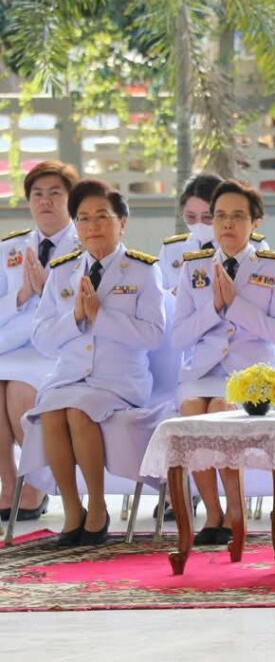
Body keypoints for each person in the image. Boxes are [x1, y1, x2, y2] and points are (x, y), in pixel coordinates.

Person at [27, 179, 165, 545]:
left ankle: (98, 508)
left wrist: (101, 316)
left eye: (102, 216)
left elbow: (154, 335)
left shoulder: (143, 270)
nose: (93, 226)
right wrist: (75, 316)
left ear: (122, 222)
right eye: (84, 218)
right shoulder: (62, 271)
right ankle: (73, 510)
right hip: (69, 377)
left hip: (118, 380)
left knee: (78, 412)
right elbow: (41, 338)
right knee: (52, 413)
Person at [171, 179, 275, 546]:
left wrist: (236, 306)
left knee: (220, 411)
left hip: (253, 374)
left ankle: (235, 510)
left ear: (255, 222)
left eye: (238, 216)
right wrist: (214, 308)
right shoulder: (194, 267)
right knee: (192, 412)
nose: (227, 224)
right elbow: (178, 337)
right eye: (220, 216)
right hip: (204, 370)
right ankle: (213, 512)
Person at [0, 161, 80, 522]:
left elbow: (87, 311)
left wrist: (48, 288)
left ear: (70, 200)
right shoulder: (10, 248)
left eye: (55, 193)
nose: (45, 201)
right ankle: (8, 481)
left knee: (19, 390)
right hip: (11, 347)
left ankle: (34, 483)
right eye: (38, 194)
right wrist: (21, 294)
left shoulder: (85, 246)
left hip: (58, 350)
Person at [158, 173, 268, 289]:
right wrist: (177, 294)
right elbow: (158, 294)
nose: (199, 224)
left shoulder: (255, 246)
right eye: (191, 217)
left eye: (207, 217)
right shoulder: (171, 250)